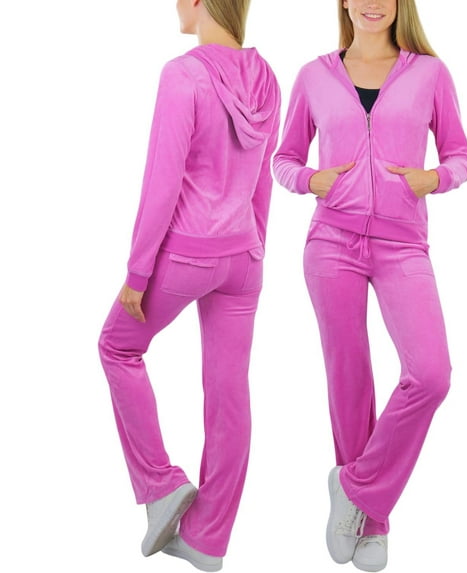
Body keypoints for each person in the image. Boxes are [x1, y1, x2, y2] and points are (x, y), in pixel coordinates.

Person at [273, 0, 467, 570]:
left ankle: (355, 491)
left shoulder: (430, 73)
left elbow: (460, 156)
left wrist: (434, 178)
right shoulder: (314, 75)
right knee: (350, 378)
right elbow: (284, 159)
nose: (372, 3)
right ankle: (371, 525)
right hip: (330, 242)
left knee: (430, 375)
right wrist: (310, 180)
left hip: (403, 244)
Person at [98, 0, 280, 570]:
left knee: (117, 347)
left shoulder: (183, 74)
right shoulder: (267, 78)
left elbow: (162, 180)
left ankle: (161, 486)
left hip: (186, 253)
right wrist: (257, 246)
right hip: (244, 256)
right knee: (230, 392)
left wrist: (138, 272)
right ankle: (207, 540)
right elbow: (262, 178)